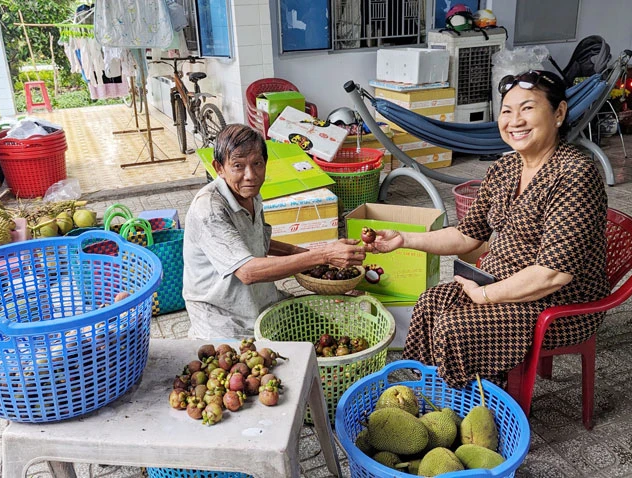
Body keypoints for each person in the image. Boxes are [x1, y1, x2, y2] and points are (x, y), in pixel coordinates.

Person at [366, 70, 609, 388]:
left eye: (527, 108)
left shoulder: (575, 174)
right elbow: (467, 234)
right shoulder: (506, 167)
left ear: (559, 113)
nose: (515, 120)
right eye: (507, 111)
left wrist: (484, 295)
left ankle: (470, 401)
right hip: (500, 283)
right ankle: (429, 389)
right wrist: (405, 239)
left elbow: (554, 275)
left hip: (560, 303)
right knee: (430, 303)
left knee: (456, 326)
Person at [183, 124, 366, 339]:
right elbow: (248, 272)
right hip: (223, 318)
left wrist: (300, 252)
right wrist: (322, 255)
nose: (250, 175)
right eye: (238, 166)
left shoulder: (250, 193)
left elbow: (257, 239)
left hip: (261, 300)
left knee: (326, 335)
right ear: (219, 168)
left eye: (257, 164)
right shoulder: (210, 210)